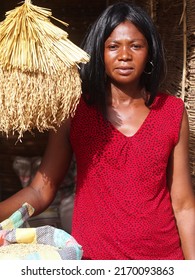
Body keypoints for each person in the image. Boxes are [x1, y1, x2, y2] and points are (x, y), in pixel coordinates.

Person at [0, 1, 195, 260]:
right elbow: (40, 190)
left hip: (162, 262)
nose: (124, 55)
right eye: (113, 46)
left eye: (136, 45)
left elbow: (183, 205)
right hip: (94, 263)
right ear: (98, 52)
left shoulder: (171, 111)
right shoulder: (74, 111)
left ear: (150, 52)